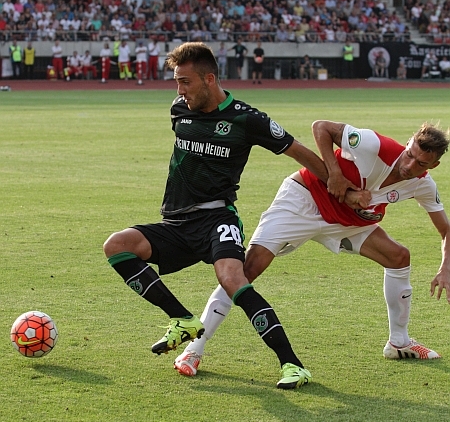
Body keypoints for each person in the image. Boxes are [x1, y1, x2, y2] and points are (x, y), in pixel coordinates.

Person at [103, 42, 334, 389]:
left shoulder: (247, 119)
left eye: (185, 82)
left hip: (217, 219)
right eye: (176, 82)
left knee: (232, 279)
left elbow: (298, 151)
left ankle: (293, 365)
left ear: (209, 79)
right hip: (177, 223)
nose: (179, 90)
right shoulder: (179, 110)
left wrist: (337, 182)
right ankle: (182, 319)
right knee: (117, 246)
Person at [175, 120, 450, 377]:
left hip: (346, 222)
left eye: (420, 163)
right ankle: (193, 350)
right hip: (303, 200)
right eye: (409, 154)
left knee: (398, 257)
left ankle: (399, 342)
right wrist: (335, 174)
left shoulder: (422, 185)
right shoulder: (374, 145)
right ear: (408, 143)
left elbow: (446, 229)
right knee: (247, 269)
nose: (409, 164)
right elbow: (321, 128)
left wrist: (445, 267)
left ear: (433, 165)